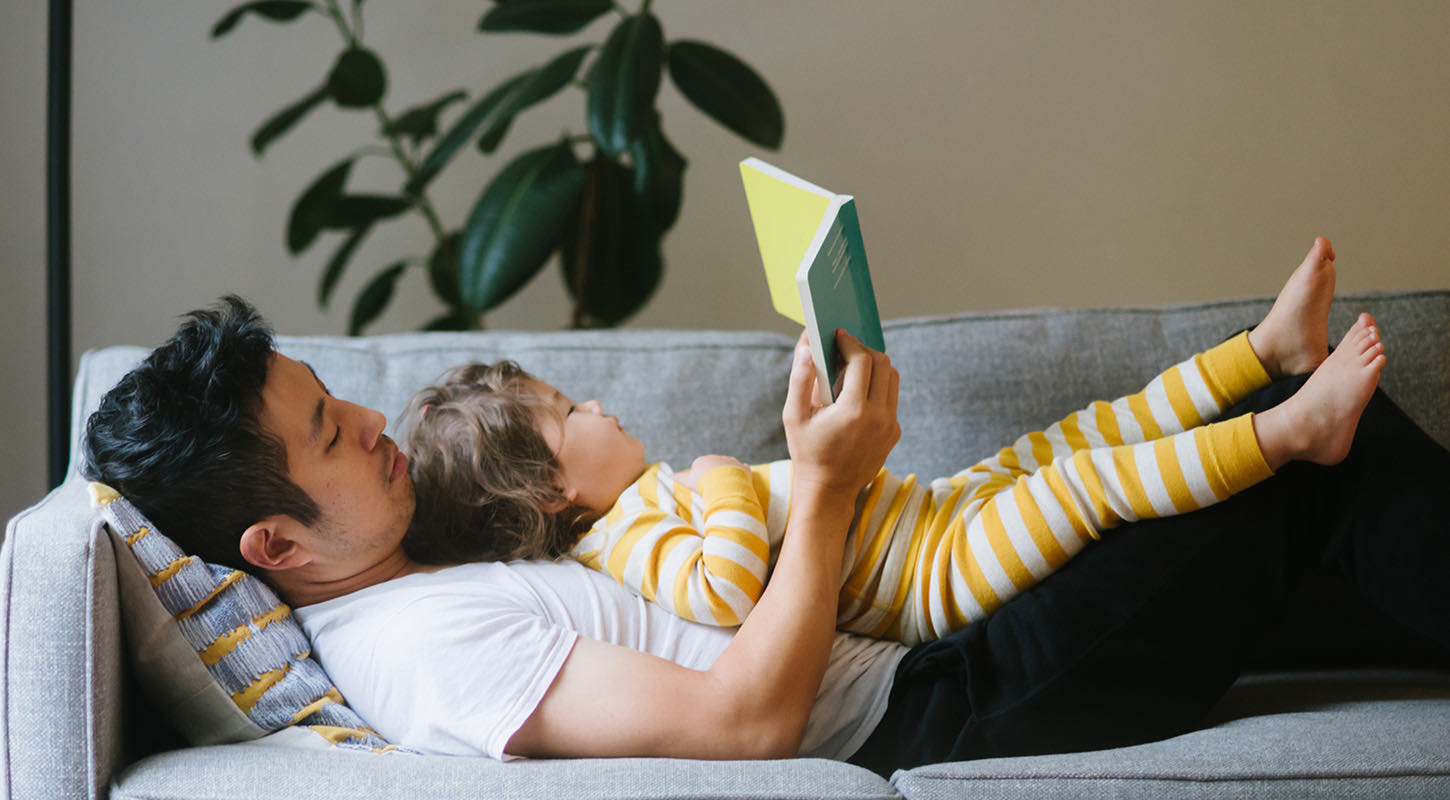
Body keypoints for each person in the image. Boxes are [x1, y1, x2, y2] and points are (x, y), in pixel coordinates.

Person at [80, 238, 1450, 775]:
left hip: (939, 643)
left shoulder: (414, 569)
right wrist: (831, 490)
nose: (375, 425)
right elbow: (748, 721)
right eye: (331, 433)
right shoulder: (419, 650)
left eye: (342, 400)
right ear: (274, 546)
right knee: (1299, 468)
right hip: (954, 703)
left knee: (1281, 456)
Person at [399, 241, 1383, 646]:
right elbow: (730, 590)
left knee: (1072, 434)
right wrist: (723, 479)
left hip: (936, 515)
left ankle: (1265, 349)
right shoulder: (625, 540)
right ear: (550, 496)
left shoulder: (640, 498)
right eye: (571, 415)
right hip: (931, 581)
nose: (599, 405)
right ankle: (1294, 430)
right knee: (1089, 479)